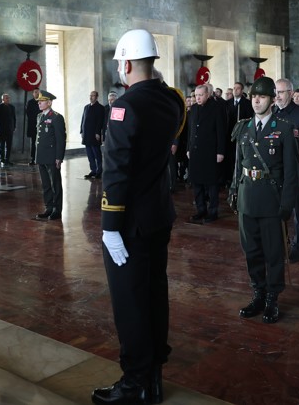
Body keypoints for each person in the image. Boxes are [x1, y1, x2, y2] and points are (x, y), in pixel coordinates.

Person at [92, 29, 185, 405]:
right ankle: (154, 378)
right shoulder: (172, 101)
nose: (118, 67)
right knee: (154, 294)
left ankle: (134, 383)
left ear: (127, 63)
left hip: (129, 223)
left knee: (130, 301)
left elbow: (115, 171)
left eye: (119, 62)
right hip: (159, 215)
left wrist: (110, 227)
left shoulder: (124, 107)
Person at [228, 76, 298, 325]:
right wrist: (234, 191)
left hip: (271, 200)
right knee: (252, 251)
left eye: (262, 97)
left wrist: (287, 204)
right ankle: (258, 293)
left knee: (273, 252)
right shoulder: (244, 127)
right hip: (248, 198)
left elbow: (291, 172)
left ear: (272, 100)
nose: (256, 100)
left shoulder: (284, 128)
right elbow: (238, 165)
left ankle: (272, 299)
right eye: (254, 97)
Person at [273, 78, 299, 262]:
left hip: (296, 168)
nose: (277, 96)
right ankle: (280, 242)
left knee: (297, 209)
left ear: (290, 93)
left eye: (281, 92)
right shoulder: (272, 112)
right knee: (276, 207)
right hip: (276, 168)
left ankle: (298, 245)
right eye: (276, 92)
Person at [186, 83, 226, 224]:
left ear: (207, 95)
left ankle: (213, 212)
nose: (197, 98)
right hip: (195, 152)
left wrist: (220, 151)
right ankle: (201, 210)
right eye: (196, 95)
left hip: (210, 152)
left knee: (212, 184)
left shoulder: (216, 108)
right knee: (197, 183)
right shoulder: (194, 109)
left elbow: (221, 132)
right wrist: (188, 148)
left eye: (200, 95)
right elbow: (190, 132)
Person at [33, 90, 66, 221]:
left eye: (42, 101)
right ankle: (49, 207)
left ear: (49, 102)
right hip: (41, 156)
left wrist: (59, 157)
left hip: (52, 156)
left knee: (55, 184)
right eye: (39, 102)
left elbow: (61, 139)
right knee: (46, 184)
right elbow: (39, 138)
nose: (39, 103)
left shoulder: (56, 117)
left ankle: (57, 210)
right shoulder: (39, 116)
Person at [81, 91, 105, 179]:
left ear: (97, 97)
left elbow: (100, 121)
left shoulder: (100, 108)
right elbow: (83, 120)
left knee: (96, 154)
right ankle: (93, 170)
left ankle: (99, 171)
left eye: (93, 96)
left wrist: (98, 132)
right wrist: (81, 131)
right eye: (90, 95)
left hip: (94, 134)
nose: (91, 97)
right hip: (86, 134)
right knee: (90, 154)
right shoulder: (86, 107)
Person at [0, 93, 16, 167]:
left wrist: (14, 127)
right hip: (1, 130)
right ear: (2, 99)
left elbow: (14, 118)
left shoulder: (12, 107)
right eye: (6, 98)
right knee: (2, 145)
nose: (8, 99)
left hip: (10, 129)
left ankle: (7, 160)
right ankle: (2, 160)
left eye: (8, 98)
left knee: (9, 145)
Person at [25, 88, 41, 165]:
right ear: (33, 93)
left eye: (38, 92)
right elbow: (28, 114)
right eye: (35, 92)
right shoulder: (30, 102)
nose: (37, 94)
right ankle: (33, 158)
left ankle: (41, 158)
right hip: (33, 126)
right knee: (33, 143)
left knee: (41, 143)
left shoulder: (42, 101)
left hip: (41, 126)